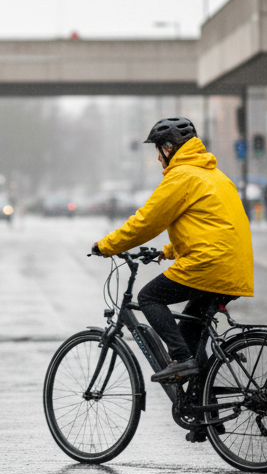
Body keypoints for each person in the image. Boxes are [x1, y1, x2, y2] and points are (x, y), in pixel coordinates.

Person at [90, 117, 253, 383]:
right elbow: (209, 229)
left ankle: (181, 359)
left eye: (158, 149)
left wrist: (106, 245)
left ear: (169, 147)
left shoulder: (182, 176)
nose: (157, 157)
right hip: (233, 266)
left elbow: (146, 222)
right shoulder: (215, 175)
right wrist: (166, 251)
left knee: (149, 297)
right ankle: (203, 407)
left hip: (209, 265)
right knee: (189, 336)